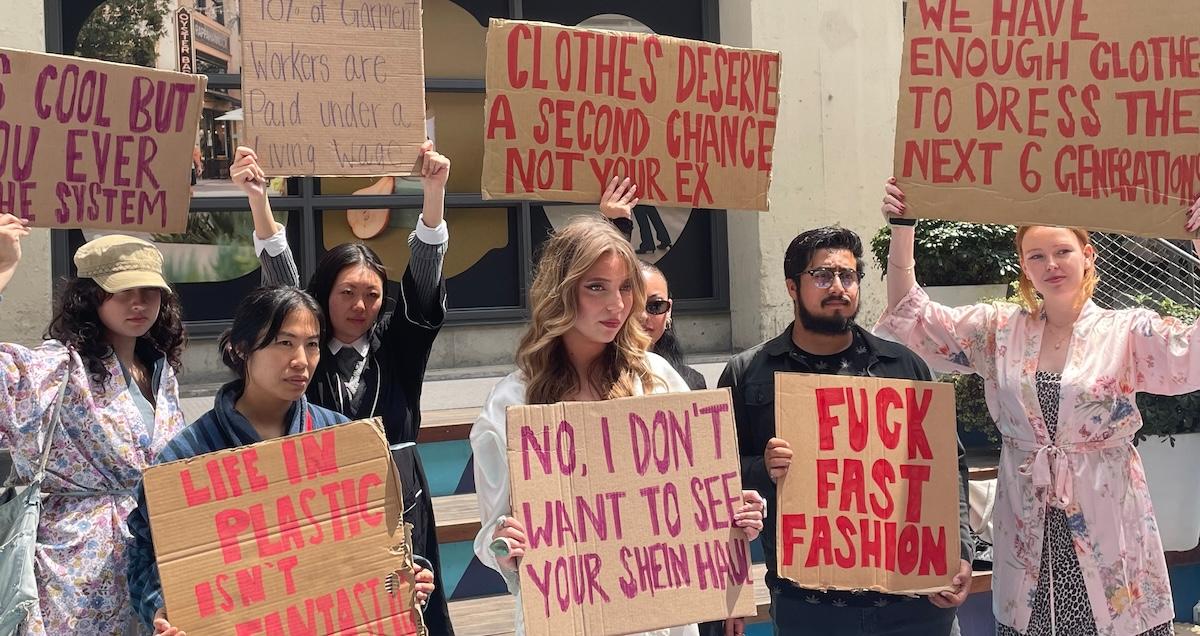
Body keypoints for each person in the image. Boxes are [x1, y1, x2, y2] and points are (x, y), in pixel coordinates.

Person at [879, 182, 1200, 636]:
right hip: (1026, 522)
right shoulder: (997, 330)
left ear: (1088, 255)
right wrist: (903, 228)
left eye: (1063, 251)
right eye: (1036, 256)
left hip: (1108, 520)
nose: (1051, 265)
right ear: (1024, 267)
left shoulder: (1126, 332)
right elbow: (911, 315)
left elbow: (1194, 352)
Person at [470, 217, 766, 636]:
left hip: (662, 620)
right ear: (561, 291)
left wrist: (737, 514)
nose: (616, 305)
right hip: (567, 621)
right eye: (597, 287)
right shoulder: (511, 403)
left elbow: (695, 501)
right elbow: (491, 537)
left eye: (626, 287)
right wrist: (506, 543)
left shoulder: (659, 380)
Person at [230, 143, 458, 634]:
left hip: (397, 492)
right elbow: (281, 283)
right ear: (324, 295)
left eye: (372, 294)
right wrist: (258, 200)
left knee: (405, 608)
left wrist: (433, 194)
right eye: (347, 292)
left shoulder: (400, 347)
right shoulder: (303, 355)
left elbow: (423, 284)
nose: (360, 305)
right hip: (321, 494)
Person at [126, 286, 436, 634]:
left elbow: (379, 541)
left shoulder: (344, 440)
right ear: (241, 349)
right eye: (284, 343)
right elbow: (143, 558)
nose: (301, 361)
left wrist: (408, 575)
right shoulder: (187, 458)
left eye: (312, 344)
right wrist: (160, 611)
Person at [719, 226, 974, 636]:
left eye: (848, 275)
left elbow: (947, 467)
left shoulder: (904, 367)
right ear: (791, 286)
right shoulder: (749, 373)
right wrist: (760, 468)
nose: (837, 286)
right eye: (822, 276)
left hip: (914, 604)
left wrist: (958, 552)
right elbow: (716, 478)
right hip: (810, 608)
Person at [0, 219, 189, 636]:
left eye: (149, 292)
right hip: (74, 566)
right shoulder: (60, 366)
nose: (138, 303)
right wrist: (3, 269)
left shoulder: (161, 372)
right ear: (91, 296)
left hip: (149, 557)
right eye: (122, 291)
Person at [639, 262, 706, 390]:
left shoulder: (690, 382)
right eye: (634, 305)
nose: (643, 316)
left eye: (655, 306)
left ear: (669, 310)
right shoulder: (593, 382)